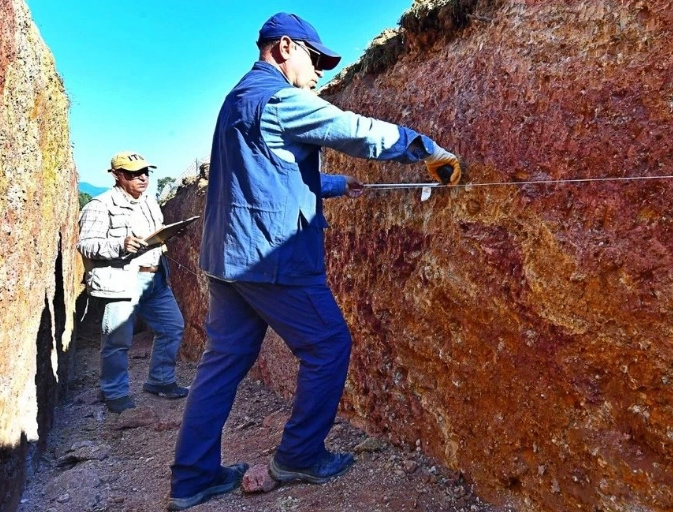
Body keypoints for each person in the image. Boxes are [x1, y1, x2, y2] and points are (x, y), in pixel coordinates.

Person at [167, 12, 462, 511]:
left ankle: (191, 479)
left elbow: (261, 175)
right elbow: (354, 131)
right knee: (328, 346)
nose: (321, 71)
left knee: (222, 364)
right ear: (285, 47)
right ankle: (299, 456)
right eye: (316, 58)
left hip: (226, 258)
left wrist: (334, 185)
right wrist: (425, 149)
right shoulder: (282, 99)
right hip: (268, 258)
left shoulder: (238, 99)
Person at [77, 151, 189, 414]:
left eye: (145, 172)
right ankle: (114, 392)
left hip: (155, 279)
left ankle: (160, 381)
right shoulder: (100, 205)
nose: (142, 178)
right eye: (133, 173)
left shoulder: (149, 202)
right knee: (117, 340)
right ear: (116, 175)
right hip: (122, 281)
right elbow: (85, 245)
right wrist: (120, 244)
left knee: (172, 327)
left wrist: (171, 234)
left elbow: (153, 237)